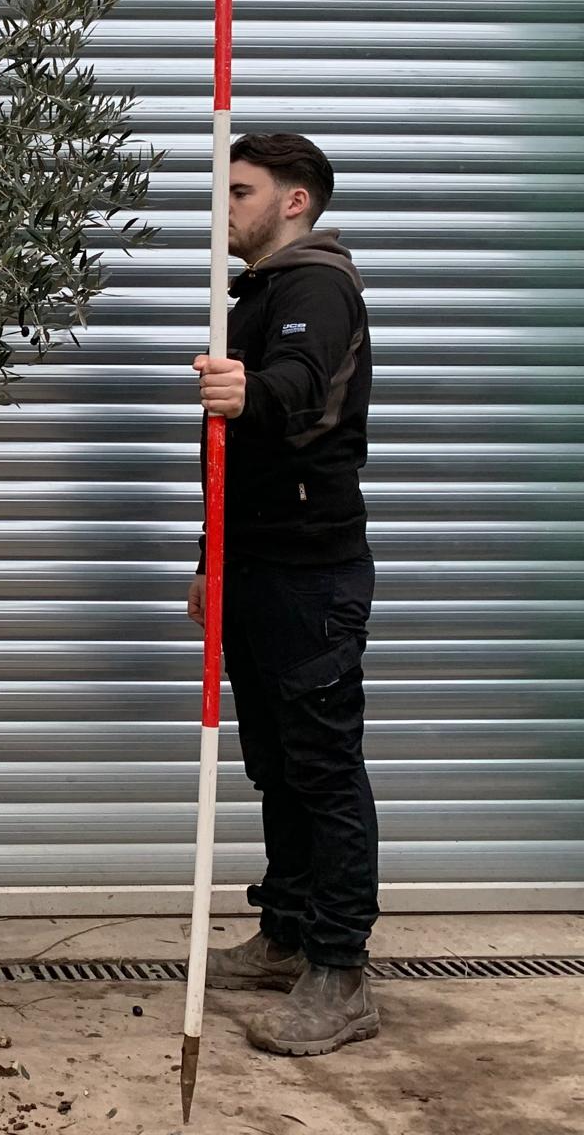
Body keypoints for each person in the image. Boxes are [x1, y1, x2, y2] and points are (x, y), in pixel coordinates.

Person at [190, 132, 380, 1056]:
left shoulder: (316, 287)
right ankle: (287, 935)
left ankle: (340, 971)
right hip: (254, 565)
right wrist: (209, 558)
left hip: (309, 575)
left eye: (240, 190)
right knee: (277, 765)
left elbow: (301, 394)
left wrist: (249, 390)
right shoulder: (257, 292)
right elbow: (229, 455)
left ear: (293, 201)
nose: (223, 207)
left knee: (324, 770)